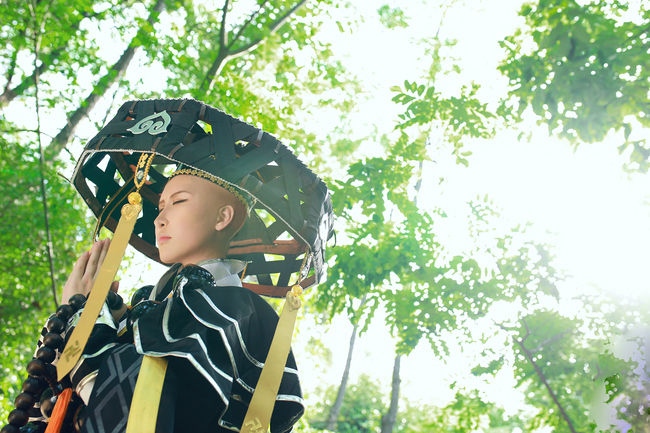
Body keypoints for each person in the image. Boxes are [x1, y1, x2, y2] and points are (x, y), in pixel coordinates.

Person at [52, 171, 304, 433]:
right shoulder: (155, 305)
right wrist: (102, 317)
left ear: (223, 217)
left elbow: (135, 408)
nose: (159, 219)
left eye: (179, 201)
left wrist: (82, 315)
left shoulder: (239, 310)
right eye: (161, 206)